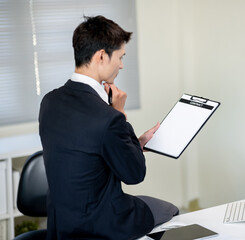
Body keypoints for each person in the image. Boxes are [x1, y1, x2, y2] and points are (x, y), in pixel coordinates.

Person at [39, 15, 178, 240]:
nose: (121, 65)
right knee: (171, 210)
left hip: (61, 224)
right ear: (101, 56)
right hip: (102, 224)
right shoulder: (108, 117)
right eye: (120, 57)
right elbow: (134, 174)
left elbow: (89, 150)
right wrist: (119, 113)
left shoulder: (49, 102)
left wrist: (138, 142)